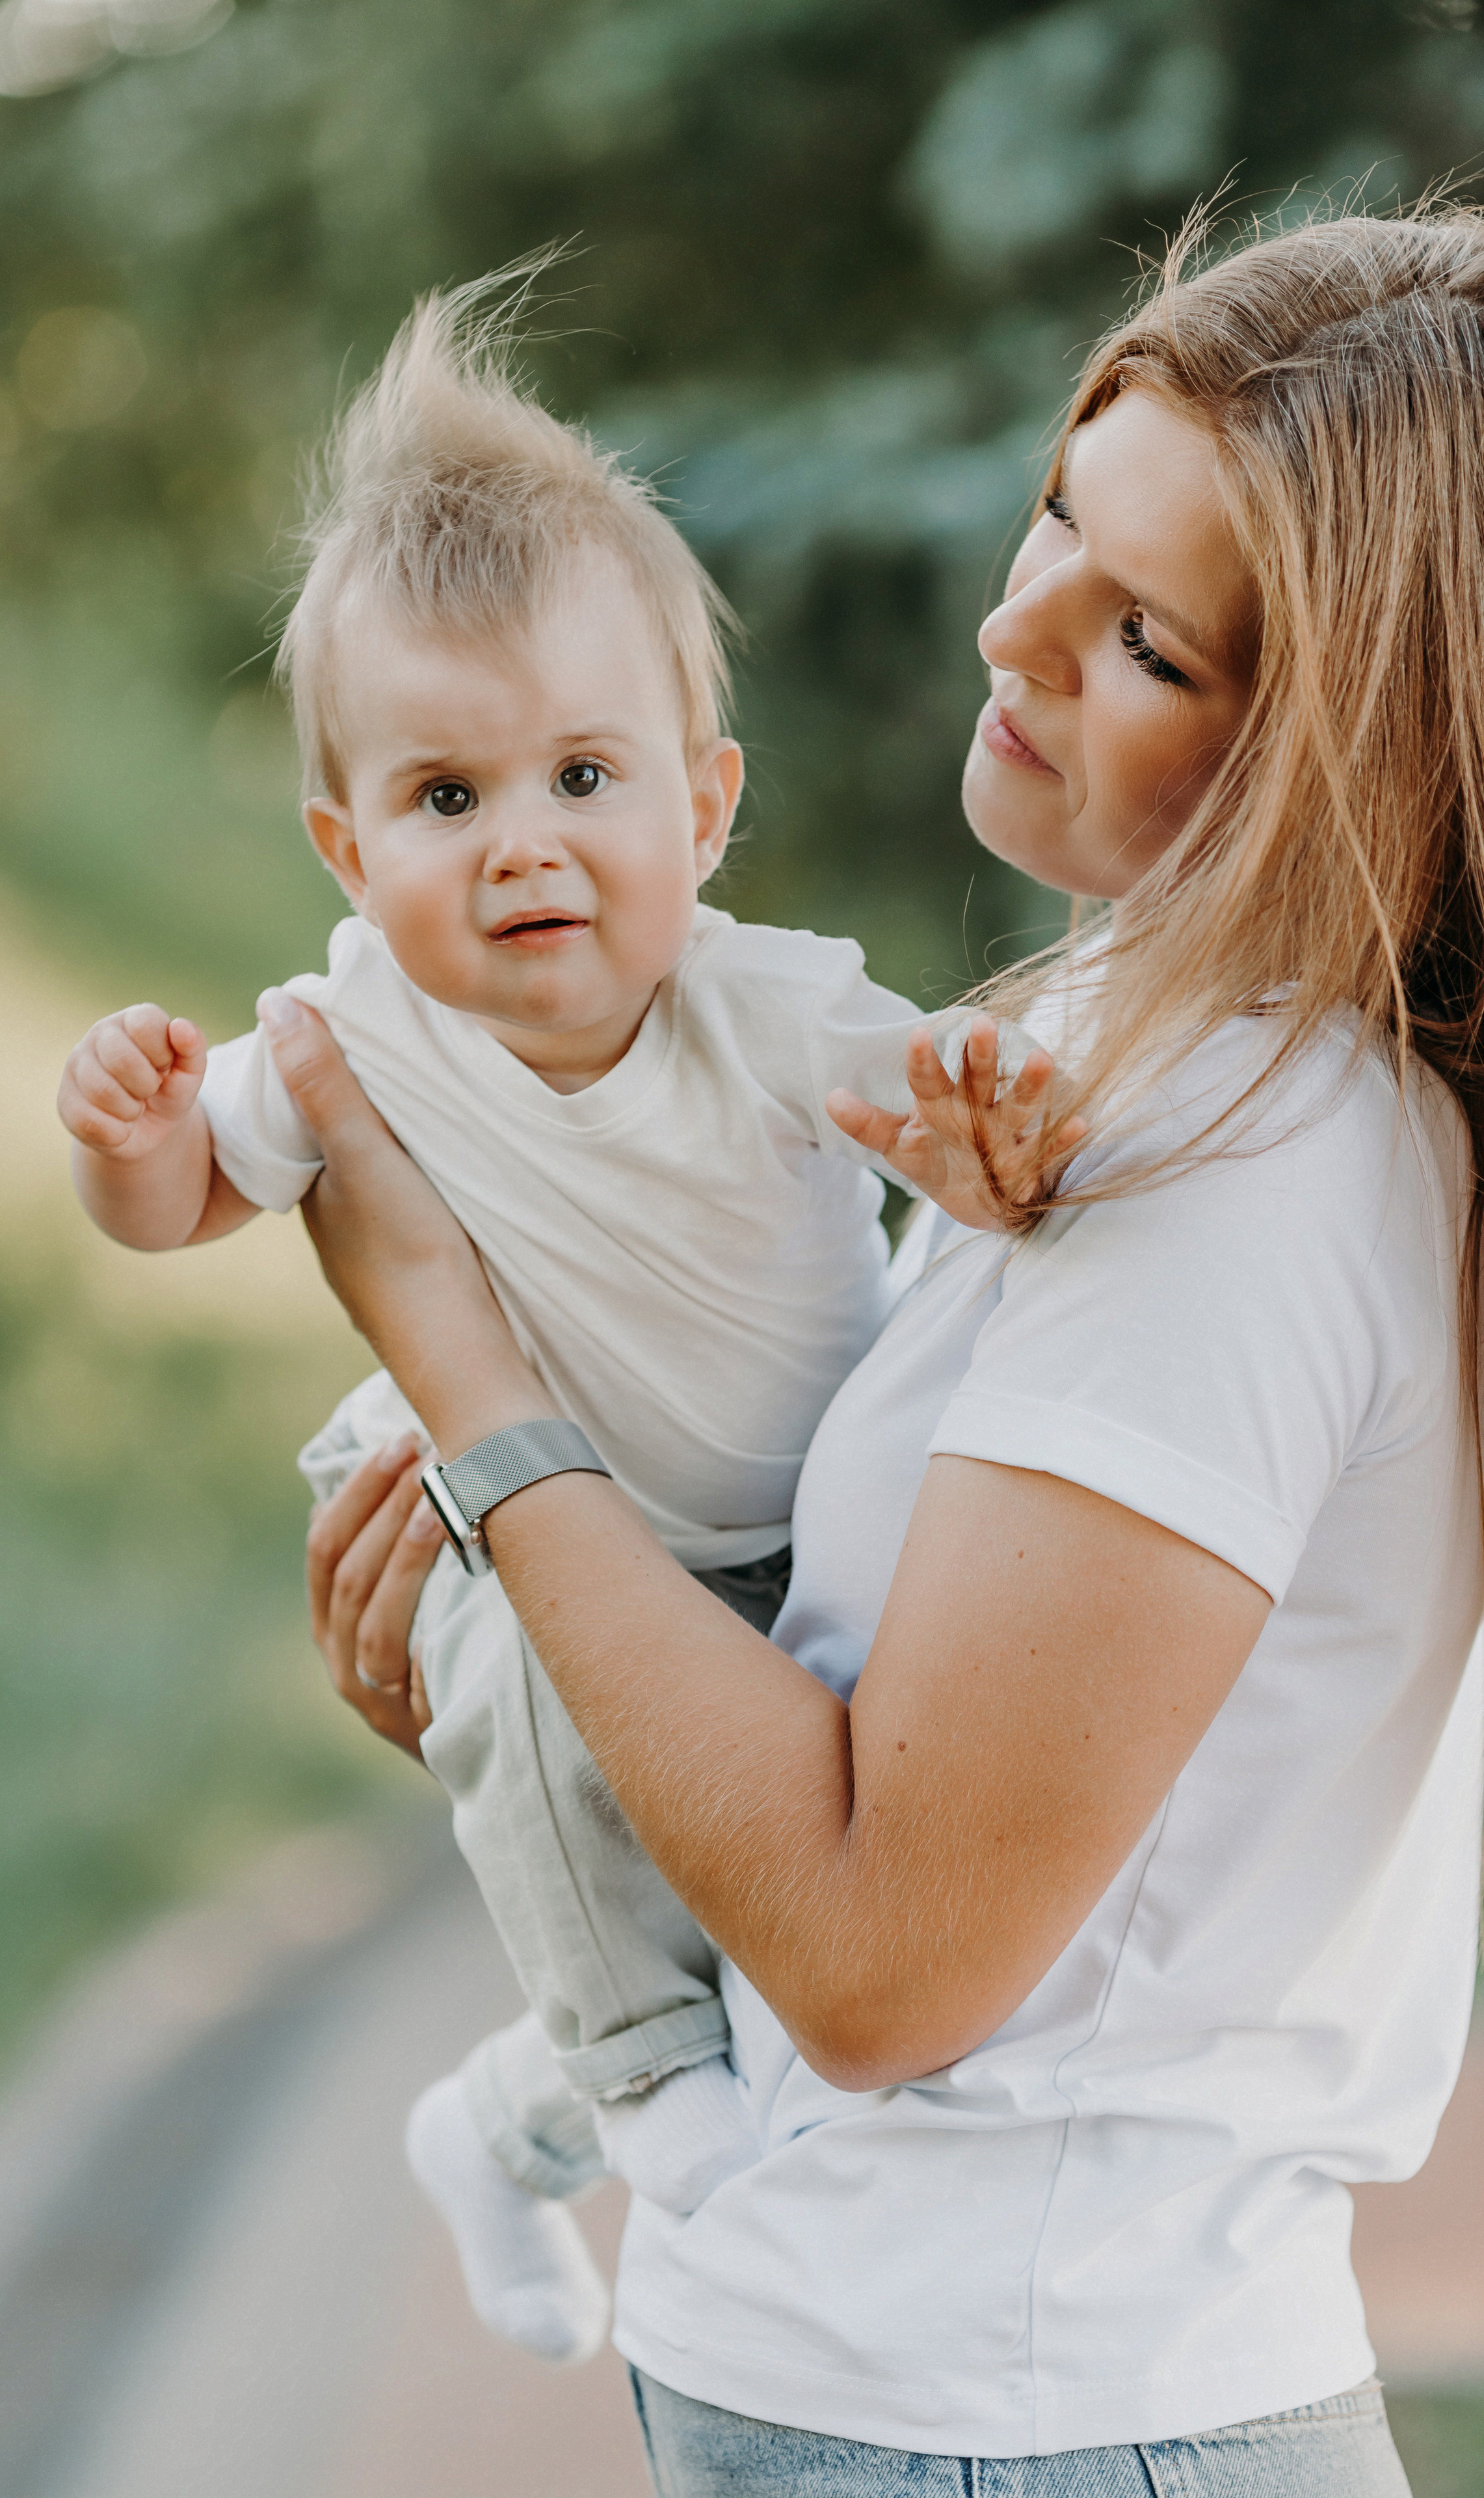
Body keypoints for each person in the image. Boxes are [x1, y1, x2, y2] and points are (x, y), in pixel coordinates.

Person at [274, 205, 1484, 2496]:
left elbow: (883, 1953)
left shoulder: (1241, 1163)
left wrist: (461, 1370)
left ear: (1334, 751)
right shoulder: (1109, 1068)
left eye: (1142, 638)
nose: (1010, 626)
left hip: (1015, 2420)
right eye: (1059, 513)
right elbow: (864, 1678)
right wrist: (521, 1597)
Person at [55, 271, 1071, 2365]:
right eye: (445, 802)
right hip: (492, 1507)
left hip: (776, 1525)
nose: (523, 847)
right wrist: (130, 1133)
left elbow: (929, 1108)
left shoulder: (765, 1005)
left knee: (782, 1881)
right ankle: (622, 2079)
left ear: (700, 809)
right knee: (526, 1706)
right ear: (349, 845)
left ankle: (495, 2128)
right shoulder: (348, 1033)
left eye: (581, 779)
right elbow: (174, 1209)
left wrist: (981, 1131)